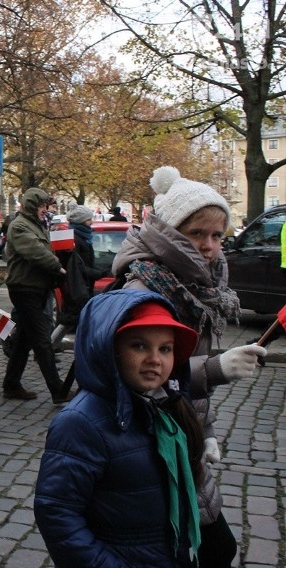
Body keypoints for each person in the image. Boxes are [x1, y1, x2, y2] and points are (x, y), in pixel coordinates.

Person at [111, 165, 267, 567]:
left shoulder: (199, 286)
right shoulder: (147, 288)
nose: (210, 245)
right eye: (197, 233)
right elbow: (142, 379)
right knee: (206, 550)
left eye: (217, 235)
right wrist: (215, 369)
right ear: (170, 232)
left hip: (184, 438)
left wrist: (206, 429)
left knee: (209, 549)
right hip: (153, 446)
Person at [35, 290, 204, 567]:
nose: (154, 359)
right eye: (139, 346)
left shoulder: (163, 406)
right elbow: (57, 512)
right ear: (109, 350)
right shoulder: (81, 423)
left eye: (165, 348)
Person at [2, 188, 73, 403]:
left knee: (24, 339)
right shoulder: (20, 225)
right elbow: (35, 251)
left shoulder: (35, 224)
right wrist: (58, 267)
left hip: (36, 288)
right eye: (43, 206)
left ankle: (11, 384)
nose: (46, 210)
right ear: (33, 206)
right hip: (24, 289)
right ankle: (57, 390)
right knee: (42, 340)